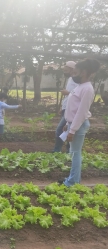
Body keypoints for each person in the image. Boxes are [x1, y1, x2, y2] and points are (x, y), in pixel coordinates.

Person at [59, 59, 100, 187]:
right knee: (74, 153)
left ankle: (72, 182)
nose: (73, 74)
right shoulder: (80, 87)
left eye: (75, 72)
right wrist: (67, 123)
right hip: (73, 124)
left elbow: (81, 113)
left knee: (76, 154)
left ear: (84, 72)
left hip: (78, 126)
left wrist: (72, 130)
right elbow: (73, 108)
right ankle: (73, 179)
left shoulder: (87, 89)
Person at [52, 61, 78, 153]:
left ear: (72, 69)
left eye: (66, 70)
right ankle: (67, 151)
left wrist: (68, 93)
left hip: (70, 110)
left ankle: (58, 150)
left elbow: (78, 94)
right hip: (66, 109)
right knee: (66, 130)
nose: (64, 72)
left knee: (60, 130)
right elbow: (69, 96)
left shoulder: (76, 80)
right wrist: (62, 107)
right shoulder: (70, 79)